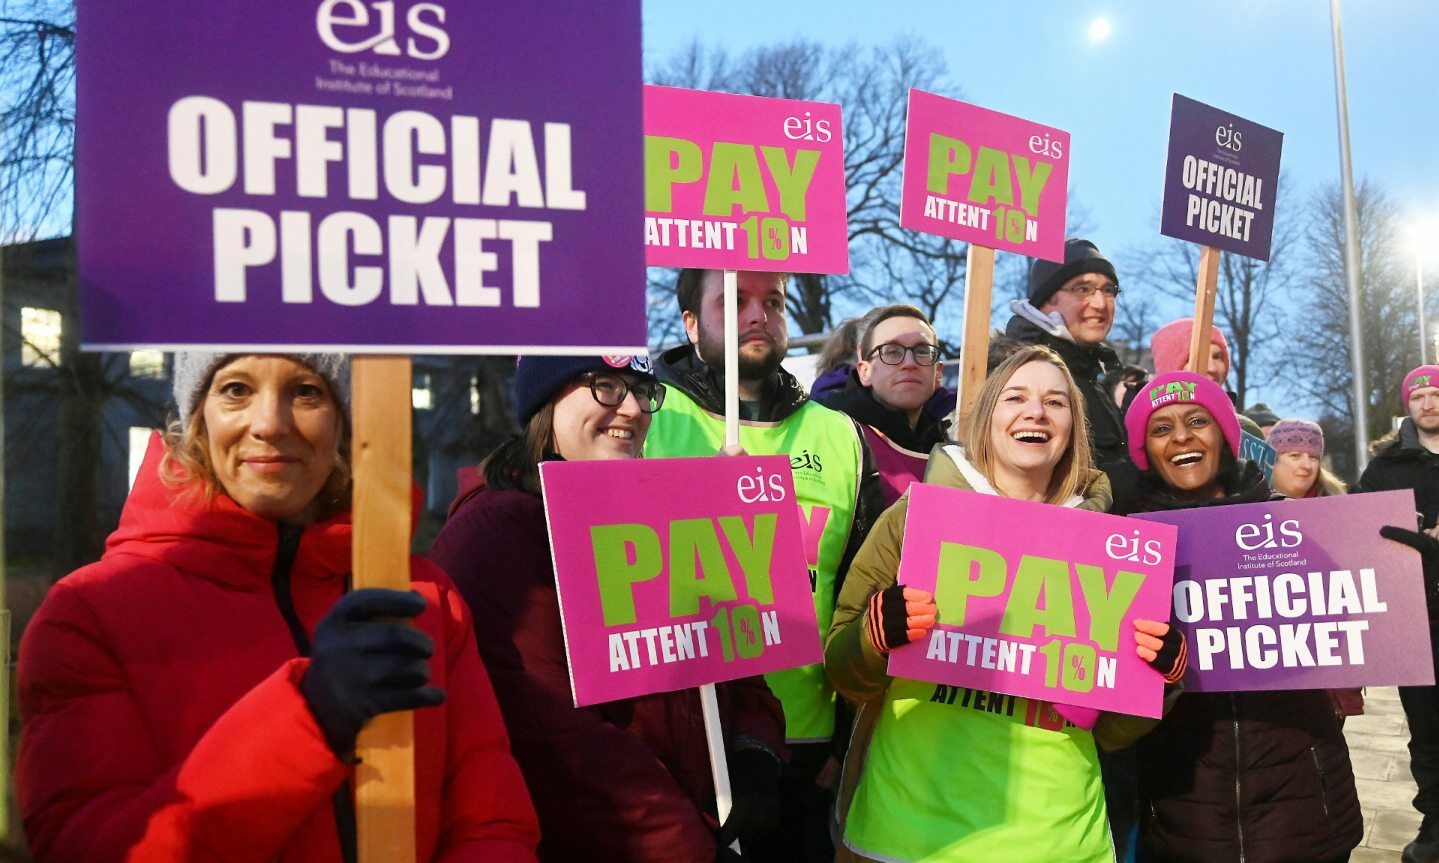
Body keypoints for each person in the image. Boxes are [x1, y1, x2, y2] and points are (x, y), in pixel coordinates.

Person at [16, 353, 540, 862]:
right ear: (196, 420)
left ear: (343, 422)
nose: (269, 423)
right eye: (236, 390)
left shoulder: (425, 597)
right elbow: (93, 846)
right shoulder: (91, 614)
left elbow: (491, 824)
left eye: (306, 392)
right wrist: (308, 718)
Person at [825, 345, 1185, 863]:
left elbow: (1113, 730)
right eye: (1016, 397)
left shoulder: (1113, 548)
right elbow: (844, 671)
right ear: (987, 417)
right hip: (908, 836)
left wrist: (1160, 680)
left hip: (1059, 841)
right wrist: (872, 638)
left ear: (1072, 428)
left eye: (1055, 403)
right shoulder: (913, 520)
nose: (1035, 412)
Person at [428, 354, 786, 863]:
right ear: (545, 402)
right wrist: (685, 846)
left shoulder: (668, 513)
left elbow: (728, 644)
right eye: (605, 386)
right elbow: (547, 735)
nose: (633, 409)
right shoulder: (497, 534)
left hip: (704, 823)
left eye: (643, 391)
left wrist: (756, 747)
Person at [644, 268, 882, 863]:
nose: (759, 315)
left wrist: (843, 745)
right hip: (679, 744)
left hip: (804, 746)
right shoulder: (643, 417)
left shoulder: (841, 437)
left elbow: (861, 595)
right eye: (735, 301)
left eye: (772, 301)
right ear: (691, 322)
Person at [1125, 371, 1362, 863]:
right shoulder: (1126, 546)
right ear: (1146, 450)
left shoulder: (1294, 526)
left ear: (1226, 438)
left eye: (1197, 421)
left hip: (1303, 812)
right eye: (1162, 428)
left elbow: (1369, 626)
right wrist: (1167, 672)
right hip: (1185, 817)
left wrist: (1421, 583)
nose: (1183, 436)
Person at [1358, 365, 1439, 863]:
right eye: (1420, 395)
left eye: (1436, 393)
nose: (1429, 402)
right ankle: (1435, 820)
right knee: (1427, 731)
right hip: (1419, 619)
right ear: (1407, 406)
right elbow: (1364, 531)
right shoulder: (1386, 466)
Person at [816, 304, 949, 506]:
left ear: (938, 373)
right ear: (864, 372)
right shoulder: (829, 435)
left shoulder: (950, 453)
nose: (909, 362)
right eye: (892, 351)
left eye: (922, 351)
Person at [1149, 318, 1265, 438]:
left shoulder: (1247, 431)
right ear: (1169, 366)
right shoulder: (1147, 433)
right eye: (1200, 358)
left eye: (1217, 357)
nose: (1212, 368)